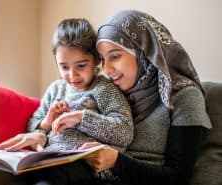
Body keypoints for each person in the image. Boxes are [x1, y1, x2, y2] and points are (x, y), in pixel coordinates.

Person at [0, 18, 133, 185]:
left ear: (96, 61)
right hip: (45, 159)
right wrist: (47, 121)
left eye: (81, 66)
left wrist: (81, 118)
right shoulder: (56, 89)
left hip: (82, 165)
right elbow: (33, 127)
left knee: (50, 177)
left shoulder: (105, 90)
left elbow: (124, 131)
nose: (72, 75)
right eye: (64, 67)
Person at [79, 10, 212, 185]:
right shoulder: (109, 92)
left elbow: (179, 177)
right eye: (102, 59)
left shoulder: (184, 95)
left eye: (115, 56)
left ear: (144, 51)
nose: (107, 69)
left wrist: (116, 161)